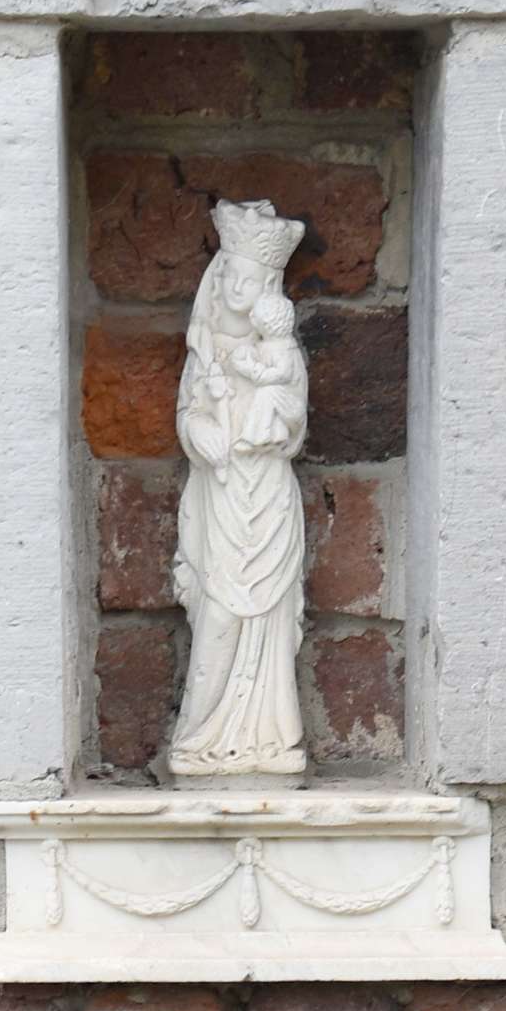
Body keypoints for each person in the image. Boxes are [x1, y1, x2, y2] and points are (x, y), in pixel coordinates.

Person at [168, 200, 309, 784]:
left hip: (267, 493)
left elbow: (295, 422)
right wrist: (200, 431)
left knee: (268, 615)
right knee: (219, 612)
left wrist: (268, 419)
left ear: (268, 289)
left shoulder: (284, 354)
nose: (234, 288)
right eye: (228, 275)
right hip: (220, 496)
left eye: (248, 281)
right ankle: (199, 734)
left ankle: (269, 737)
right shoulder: (203, 351)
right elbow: (188, 413)